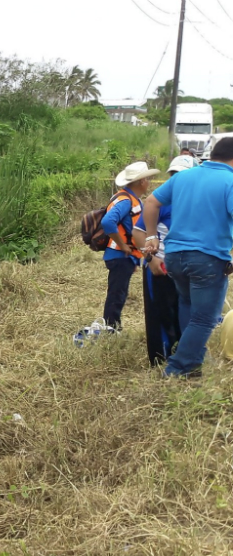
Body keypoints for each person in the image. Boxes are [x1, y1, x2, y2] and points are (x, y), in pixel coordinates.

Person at [143, 137, 233, 378]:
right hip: (207, 259)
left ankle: (192, 361)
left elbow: (151, 202)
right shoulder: (230, 181)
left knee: (188, 305)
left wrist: (151, 236)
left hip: (174, 256)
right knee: (205, 318)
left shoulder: (184, 176)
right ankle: (178, 368)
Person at [132, 155, 195, 365]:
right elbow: (138, 231)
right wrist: (151, 260)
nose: (178, 178)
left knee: (183, 310)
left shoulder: (196, 199)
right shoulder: (161, 200)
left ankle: (183, 354)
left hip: (186, 267)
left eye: (182, 174)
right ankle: (161, 359)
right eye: (174, 174)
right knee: (160, 312)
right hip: (159, 265)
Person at [101, 162, 160, 330]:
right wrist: (124, 246)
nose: (149, 182)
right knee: (117, 294)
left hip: (122, 257)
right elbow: (108, 222)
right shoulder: (127, 201)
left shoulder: (127, 198)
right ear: (141, 182)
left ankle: (112, 326)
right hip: (120, 255)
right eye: (147, 179)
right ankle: (111, 328)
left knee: (119, 293)